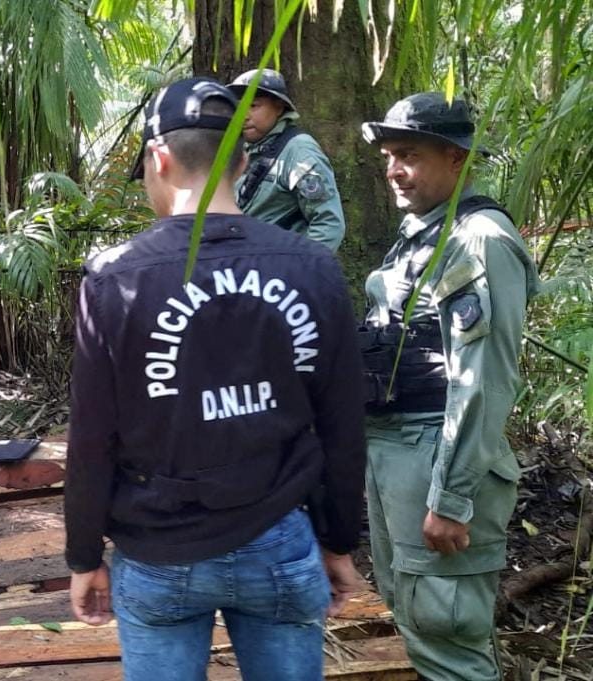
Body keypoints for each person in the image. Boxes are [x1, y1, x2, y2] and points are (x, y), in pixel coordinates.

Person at [65, 76, 368, 681]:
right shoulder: (311, 266)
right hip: (280, 541)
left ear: (159, 158)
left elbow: (92, 436)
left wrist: (83, 555)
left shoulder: (115, 279)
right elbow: (342, 423)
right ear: (243, 162)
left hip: (158, 551)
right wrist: (338, 541)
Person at [359, 92, 539, 681]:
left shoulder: (478, 237)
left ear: (456, 158)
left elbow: (482, 379)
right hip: (398, 451)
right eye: (389, 156)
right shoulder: (422, 232)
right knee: (418, 617)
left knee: (445, 630)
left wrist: (452, 498)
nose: (394, 170)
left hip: (435, 452)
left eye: (409, 154)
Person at [227, 69, 346, 251]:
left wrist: (299, 264)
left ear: (279, 107)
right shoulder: (242, 150)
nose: (244, 116)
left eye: (253, 106)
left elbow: (329, 224)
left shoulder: (299, 151)